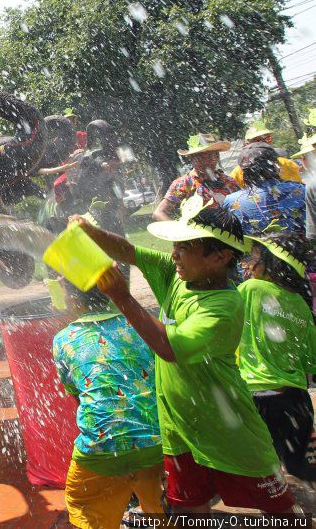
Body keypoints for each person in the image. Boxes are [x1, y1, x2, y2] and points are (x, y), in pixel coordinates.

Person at [74, 196, 298, 515]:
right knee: (189, 512)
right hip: (179, 430)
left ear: (219, 257)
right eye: (175, 245)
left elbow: (167, 348)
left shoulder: (223, 307)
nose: (174, 254)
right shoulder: (178, 275)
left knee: (282, 514)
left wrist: (122, 297)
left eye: (185, 247)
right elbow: (128, 250)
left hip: (229, 431)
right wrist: (91, 233)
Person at [52, 280, 163, 528]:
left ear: (71, 298)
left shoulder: (63, 339)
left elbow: (79, 397)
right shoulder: (139, 325)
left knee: (83, 504)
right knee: (161, 510)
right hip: (156, 439)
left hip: (102, 448)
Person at [238, 231, 316, 482]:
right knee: (302, 470)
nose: (248, 264)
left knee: (266, 476)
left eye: (255, 257)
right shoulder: (300, 303)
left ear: (272, 263)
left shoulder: (250, 289)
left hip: (256, 397)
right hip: (295, 399)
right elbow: (311, 360)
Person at [222, 141, 306, 236]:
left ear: (243, 172)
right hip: (301, 248)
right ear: (276, 165)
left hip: (256, 250)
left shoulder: (231, 202)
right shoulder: (300, 190)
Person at [152, 133, 239, 221]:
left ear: (216, 156)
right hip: (199, 232)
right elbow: (159, 213)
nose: (206, 161)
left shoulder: (228, 181)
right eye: (200, 157)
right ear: (191, 159)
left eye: (210, 156)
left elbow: (243, 205)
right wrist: (180, 231)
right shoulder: (184, 183)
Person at [230, 122, 301, 187]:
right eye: (257, 140)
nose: (263, 143)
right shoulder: (238, 173)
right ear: (247, 145)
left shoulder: (287, 164)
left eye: (268, 139)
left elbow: (299, 191)